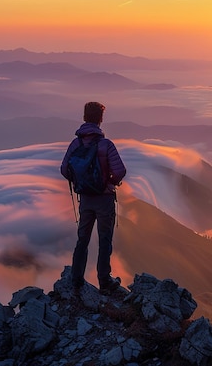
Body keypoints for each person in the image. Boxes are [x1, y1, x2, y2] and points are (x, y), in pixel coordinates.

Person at [60, 102, 126, 294]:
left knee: (83, 239)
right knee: (105, 239)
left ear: (84, 117)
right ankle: (104, 280)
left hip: (86, 200)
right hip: (104, 199)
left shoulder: (75, 144)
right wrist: (110, 182)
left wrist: (80, 181)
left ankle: (76, 279)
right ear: (100, 119)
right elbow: (120, 170)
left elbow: (64, 169)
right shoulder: (106, 145)